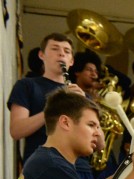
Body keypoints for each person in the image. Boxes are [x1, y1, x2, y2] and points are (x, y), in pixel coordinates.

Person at [8, 32, 86, 162]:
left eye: (67, 51)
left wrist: (84, 106)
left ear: (71, 61)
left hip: (77, 167)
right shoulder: (27, 85)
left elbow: (99, 143)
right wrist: (54, 110)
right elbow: (16, 130)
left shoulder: (80, 94)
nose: (61, 54)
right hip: (40, 164)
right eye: (55, 49)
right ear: (41, 55)